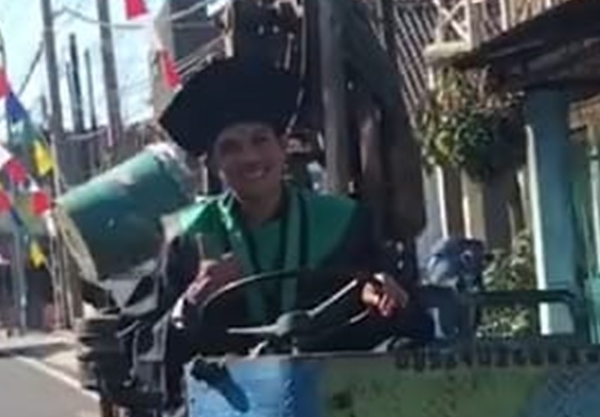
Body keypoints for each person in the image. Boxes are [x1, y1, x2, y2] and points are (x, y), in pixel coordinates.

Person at [144, 52, 416, 372]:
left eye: (260, 140)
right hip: (227, 412)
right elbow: (146, 352)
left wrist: (381, 296)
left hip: (333, 406)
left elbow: (401, 324)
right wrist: (191, 302)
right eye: (230, 147)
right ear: (214, 164)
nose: (250, 158)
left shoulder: (343, 224)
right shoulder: (190, 241)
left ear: (283, 145)